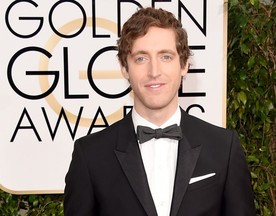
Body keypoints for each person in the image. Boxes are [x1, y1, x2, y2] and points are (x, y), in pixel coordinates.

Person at [64, 7, 256, 216]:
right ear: (124, 68)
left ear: (184, 65)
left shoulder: (223, 148)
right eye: (141, 58)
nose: (154, 72)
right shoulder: (91, 156)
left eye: (165, 57)